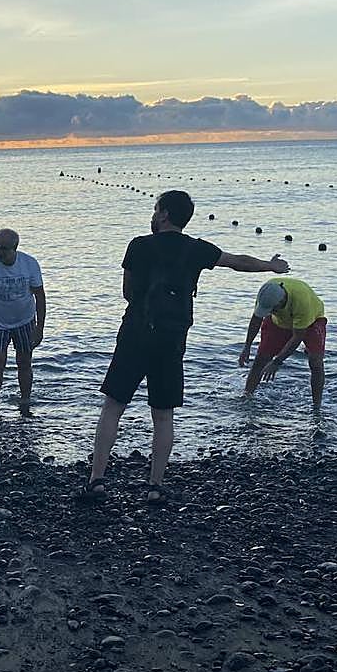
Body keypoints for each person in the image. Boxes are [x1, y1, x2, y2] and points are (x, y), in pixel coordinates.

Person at [81, 190, 290, 506]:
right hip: (172, 337)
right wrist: (270, 266)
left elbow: (127, 292)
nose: (153, 215)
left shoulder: (138, 245)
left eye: (155, 209)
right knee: (163, 416)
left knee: (113, 406)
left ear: (164, 214)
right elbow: (237, 262)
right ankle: (155, 486)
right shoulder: (196, 249)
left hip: (135, 332)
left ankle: (96, 480)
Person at [0, 228, 46, 416]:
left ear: (15, 248)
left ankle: (25, 401)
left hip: (25, 321)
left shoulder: (29, 264)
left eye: (4, 248)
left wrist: (40, 327)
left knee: (25, 362)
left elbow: (40, 296)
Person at [239, 278, 327, 411]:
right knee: (261, 359)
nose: (269, 311)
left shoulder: (301, 302)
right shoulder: (266, 293)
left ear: (281, 301)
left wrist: (277, 362)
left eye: (271, 309)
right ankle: (246, 398)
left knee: (315, 361)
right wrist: (247, 346)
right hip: (279, 322)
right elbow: (256, 320)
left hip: (312, 320)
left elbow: (297, 337)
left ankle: (317, 407)